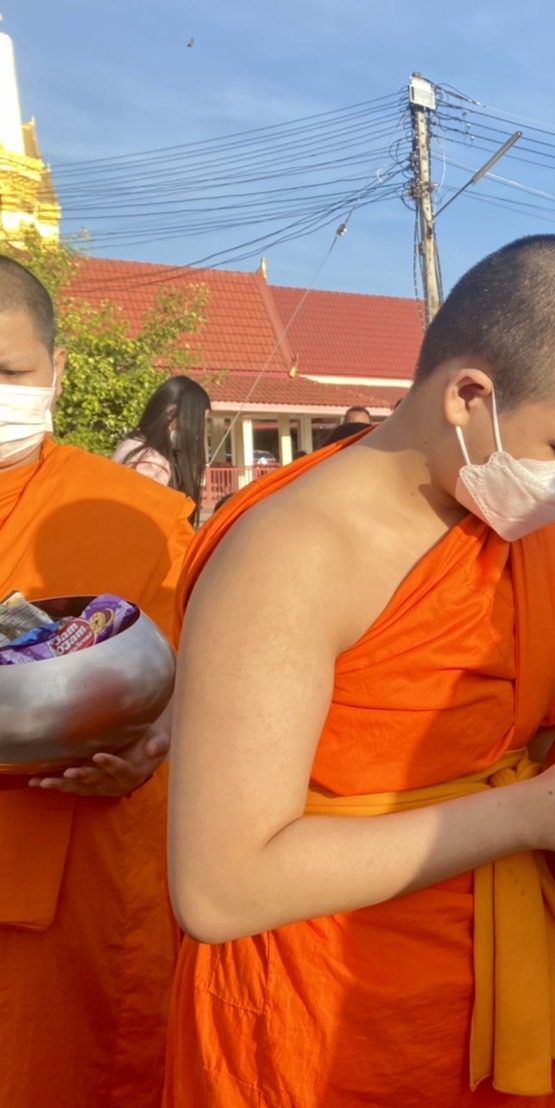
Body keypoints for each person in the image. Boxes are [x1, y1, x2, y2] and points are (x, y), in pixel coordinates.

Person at [164, 236, 555, 1107]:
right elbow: (221, 886)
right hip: (324, 1016)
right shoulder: (293, 554)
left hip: (498, 989)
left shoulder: (534, 529)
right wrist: (533, 813)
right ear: (470, 395)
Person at [0, 257, 195, 1107]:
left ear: (58, 370)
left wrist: (156, 745)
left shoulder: (137, 520)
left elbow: (195, 681)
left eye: (7, 373)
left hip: (81, 866)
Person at [113, 375, 213, 524]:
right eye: (196, 424)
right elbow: (144, 525)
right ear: (171, 412)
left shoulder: (131, 444)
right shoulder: (151, 461)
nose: (198, 434)